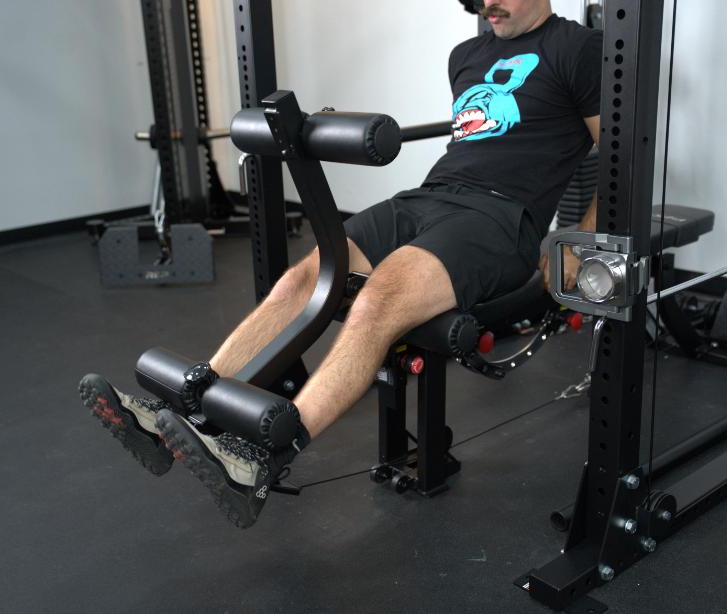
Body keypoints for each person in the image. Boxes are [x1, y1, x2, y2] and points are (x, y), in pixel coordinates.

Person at [78, 0, 602, 529]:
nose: (486, 3)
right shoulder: (465, 54)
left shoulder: (578, 50)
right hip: (426, 197)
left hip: (499, 218)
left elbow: (619, 153)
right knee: (304, 279)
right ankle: (189, 410)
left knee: (379, 297)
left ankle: (261, 462)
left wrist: (580, 238)